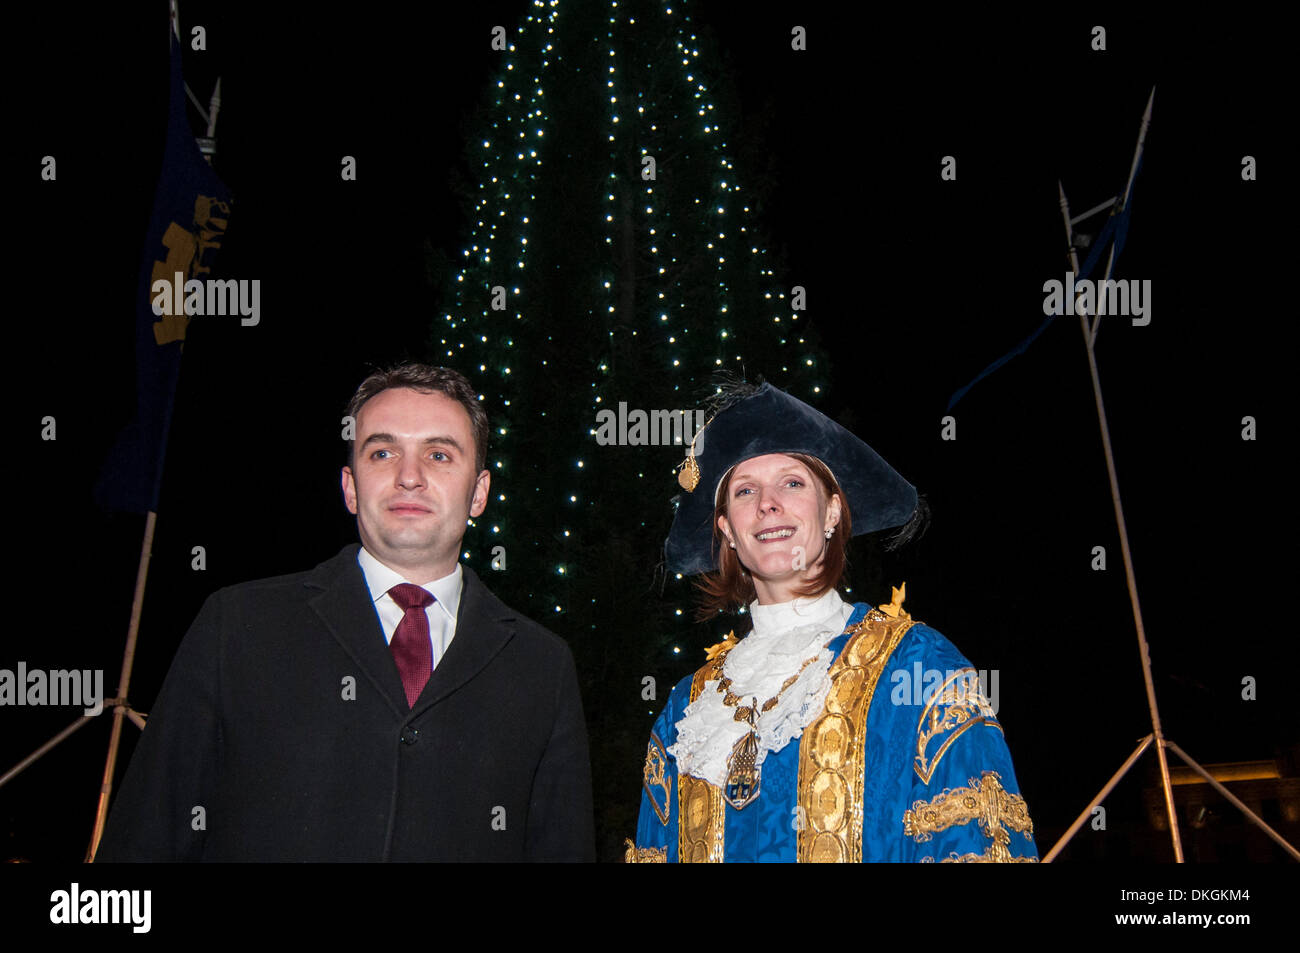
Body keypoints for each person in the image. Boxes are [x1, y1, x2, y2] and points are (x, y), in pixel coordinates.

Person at [97, 364, 595, 861]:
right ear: (351, 487)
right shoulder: (238, 626)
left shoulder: (542, 667)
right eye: (383, 452)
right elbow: (146, 836)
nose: (409, 476)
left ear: (480, 492)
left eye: (439, 454)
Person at [625, 381, 1036, 862]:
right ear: (728, 531)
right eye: (744, 491)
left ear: (833, 511)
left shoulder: (919, 668)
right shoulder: (684, 711)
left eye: (793, 482)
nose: (767, 503)